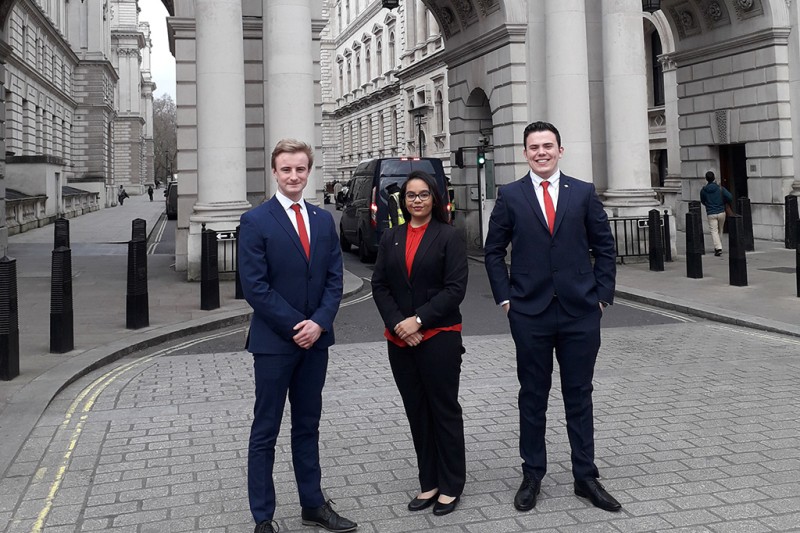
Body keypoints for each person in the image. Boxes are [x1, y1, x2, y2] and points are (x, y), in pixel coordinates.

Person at [484, 121, 621, 513]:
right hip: (529, 313)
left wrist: (602, 298)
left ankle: (585, 477)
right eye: (534, 147)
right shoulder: (510, 195)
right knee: (533, 395)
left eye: (548, 146)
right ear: (525, 153)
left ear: (560, 150)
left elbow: (605, 249)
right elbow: (493, 252)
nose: (541, 152)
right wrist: (506, 300)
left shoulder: (583, 192)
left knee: (579, 395)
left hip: (581, 312)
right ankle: (532, 475)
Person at [238, 139, 358, 533]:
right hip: (274, 344)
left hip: (316, 341)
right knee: (266, 430)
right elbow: (255, 288)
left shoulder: (323, 220)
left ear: (309, 172)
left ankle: (313, 505)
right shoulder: (256, 221)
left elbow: (334, 279)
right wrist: (297, 326)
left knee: (308, 425)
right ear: (275, 171)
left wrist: (319, 323)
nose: (293, 176)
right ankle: (263, 517)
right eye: (286, 169)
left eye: (300, 169)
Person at [371, 170, 468, 517]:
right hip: (400, 340)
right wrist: (399, 324)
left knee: (443, 410)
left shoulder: (449, 236)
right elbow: (379, 285)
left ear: (434, 198)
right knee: (416, 411)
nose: (417, 201)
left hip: (439, 336)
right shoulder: (390, 237)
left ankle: (452, 483)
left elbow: (455, 289)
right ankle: (429, 481)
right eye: (411, 195)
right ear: (403, 200)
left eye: (423, 194)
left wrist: (419, 320)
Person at [700, 170, 733, 257]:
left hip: (711, 212)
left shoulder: (703, 190)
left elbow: (703, 201)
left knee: (714, 231)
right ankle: (719, 246)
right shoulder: (720, 188)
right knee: (720, 230)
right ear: (714, 178)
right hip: (721, 211)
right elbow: (730, 197)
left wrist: (708, 204)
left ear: (706, 179)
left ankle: (718, 248)